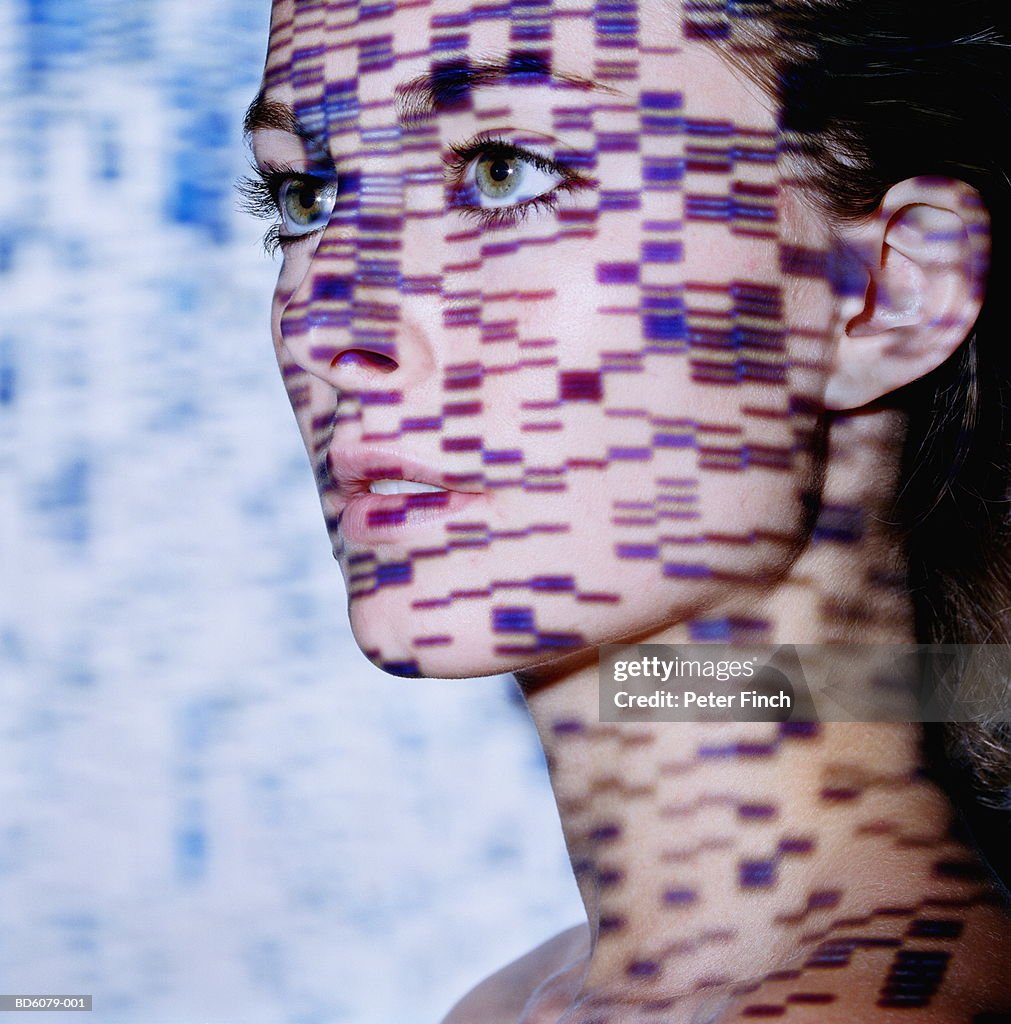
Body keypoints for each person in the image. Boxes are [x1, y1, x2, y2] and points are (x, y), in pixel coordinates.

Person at [240, 1, 1011, 1020]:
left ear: (884, 292)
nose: (330, 317)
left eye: (502, 170)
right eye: (307, 193)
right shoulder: (525, 999)